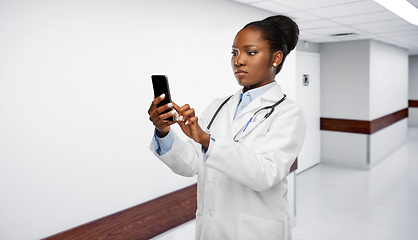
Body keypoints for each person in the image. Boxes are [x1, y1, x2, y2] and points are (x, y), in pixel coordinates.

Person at [148, 15, 306, 240]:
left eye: (250, 52)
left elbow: (266, 174)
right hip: (211, 229)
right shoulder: (219, 106)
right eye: (234, 52)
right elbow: (192, 164)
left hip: (254, 232)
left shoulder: (288, 113)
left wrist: (206, 140)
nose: (238, 60)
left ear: (276, 58)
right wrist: (164, 132)